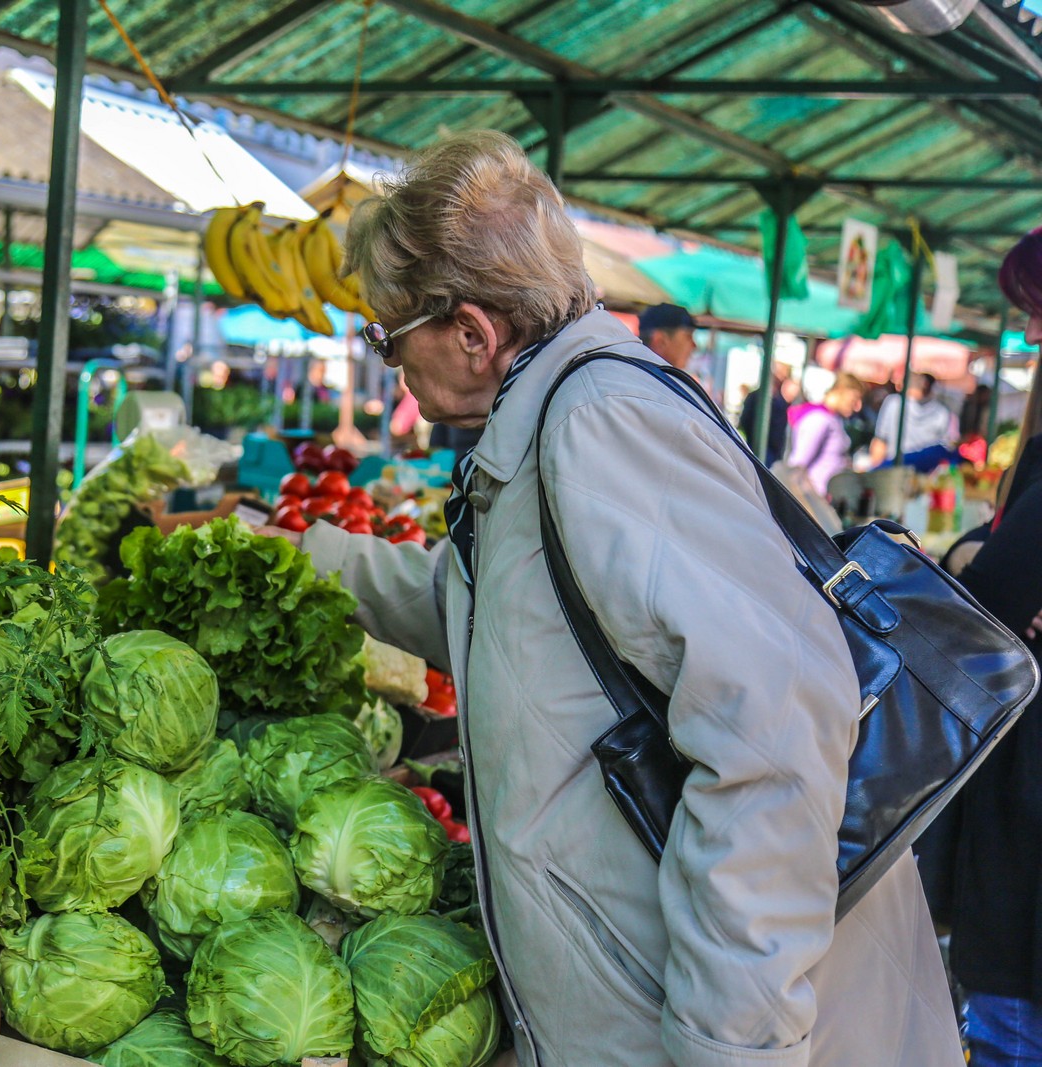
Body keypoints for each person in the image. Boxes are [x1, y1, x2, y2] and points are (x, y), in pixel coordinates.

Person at [262, 130, 959, 1066]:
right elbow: (498, 617)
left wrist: (733, 1047)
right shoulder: (546, 419)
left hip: (728, 1030)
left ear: (473, 333)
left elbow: (772, 737)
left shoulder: (602, 427)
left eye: (390, 336)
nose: (391, 363)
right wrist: (310, 560)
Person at [937, 225, 1042, 1067]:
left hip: (1028, 825)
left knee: (1010, 1038)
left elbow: (987, 598)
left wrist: (970, 554)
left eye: (1039, 313)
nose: (1030, 336)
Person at [786, 374, 863, 498]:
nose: (857, 406)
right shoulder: (819, 419)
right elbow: (798, 464)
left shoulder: (833, 419)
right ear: (840, 390)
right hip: (813, 500)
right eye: (854, 398)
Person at [870, 371, 958, 466]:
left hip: (896, 468)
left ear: (901, 385)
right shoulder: (942, 412)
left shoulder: (894, 403)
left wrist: (875, 470)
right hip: (926, 472)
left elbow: (880, 443)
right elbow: (946, 447)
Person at [737, 361, 793, 465]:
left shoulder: (781, 401)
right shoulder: (756, 397)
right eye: (781, 375)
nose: (783, 379)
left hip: (773, 453)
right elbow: (744, 422)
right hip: (755, 449)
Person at [637, 303, 696, 372]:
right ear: (660, 341)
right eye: (688, 337)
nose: (694, 345)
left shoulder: (636, 373)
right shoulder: (644, 378)